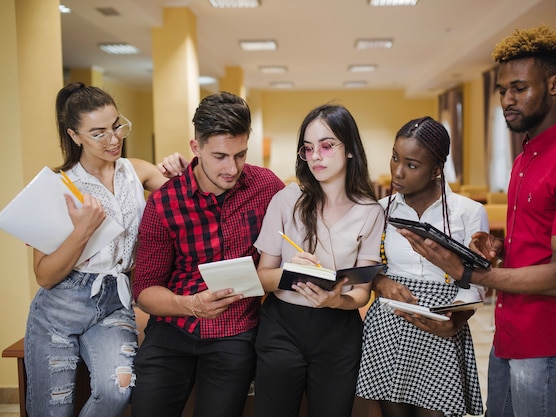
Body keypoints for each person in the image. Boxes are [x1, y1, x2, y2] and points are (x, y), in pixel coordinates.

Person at [398, 25, 556, 417]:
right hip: (510, 329)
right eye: (501, 90)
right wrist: (493, 250)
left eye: (518, 88)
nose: (507, 100)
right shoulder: (525, 158)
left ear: (555, 83)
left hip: (548, 340)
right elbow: (534, 246)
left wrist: (470, 274)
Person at [130, 91, 285, 417]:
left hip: (235, 333)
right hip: (173, 328)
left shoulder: (266, 186)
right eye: (220, 156)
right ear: (195, 147)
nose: (232, 168)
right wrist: (190, 305)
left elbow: (298, 229)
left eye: (240, 155)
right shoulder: (165, 203)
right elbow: (144, 291)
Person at [24, 82, 169, 417]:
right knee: (54, 407)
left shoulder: (138, 172)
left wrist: (178, 168)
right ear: (75, 136)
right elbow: (45, 276)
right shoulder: (59, 187)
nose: (114, 139)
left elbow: (189, 197)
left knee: (117, 391)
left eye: (117, 126)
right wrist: (83, 231)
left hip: (115, 301)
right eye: (98, 133)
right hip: (61, 306)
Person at [252, 104, 385, 417]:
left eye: (327, 146)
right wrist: (291, 273)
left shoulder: (370, 211)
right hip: (282, 327)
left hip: (338, 332)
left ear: (350, 149)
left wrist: (336, 300)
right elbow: (261, 277)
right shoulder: (287, 199)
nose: (316, 156)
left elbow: (362, 292)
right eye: (308, 149)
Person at [355, 116, 487, 417]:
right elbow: (366, 266)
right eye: (395, 158)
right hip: (389, 323)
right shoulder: (380, 210)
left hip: (443, 324)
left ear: (437, 170)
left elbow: (477, 281)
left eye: (412, 165)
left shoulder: (468, 212)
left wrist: (454, 319)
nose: (398, 172)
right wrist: (380, 283)